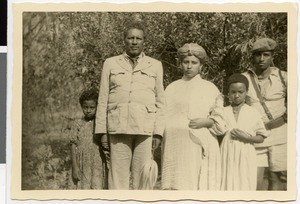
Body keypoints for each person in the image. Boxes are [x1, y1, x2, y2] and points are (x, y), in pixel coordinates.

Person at [95, 19, 165, 190]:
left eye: (138, 38)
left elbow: (160, 102)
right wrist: (102, 131)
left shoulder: (155, 65)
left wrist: (158, 133)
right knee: (117, 179)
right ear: (124, 40)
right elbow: (103, 98)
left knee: (144, 177)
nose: (134, 42)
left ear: (144, 41)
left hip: (145, 128)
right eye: (130, 38)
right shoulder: (110, 63)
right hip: (118, 127)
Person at [161, 43, 223, 190]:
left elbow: (220, 119)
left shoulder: (209, 88)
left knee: (192, 185)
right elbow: (162, 114)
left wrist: (207, 121)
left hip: (196, 145)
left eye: (194, 63)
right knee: (173, 187)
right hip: (173, 145)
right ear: (180, 64)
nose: (189, 66)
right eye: (186, 62)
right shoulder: (171, 88)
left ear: (201, 66)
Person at [243, 38, 287, 190]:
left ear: (272, 56)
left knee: (277, 180)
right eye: (258, 55)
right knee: (255, 181)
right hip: (256, 137)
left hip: (281, 136)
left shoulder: (283, 77)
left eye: (266, 55)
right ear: (252, 57)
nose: (262, 59)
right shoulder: (245, 78)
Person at [217, 73, 268, 190]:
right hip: (227, 152)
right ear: (228, 93)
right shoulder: (223, 111)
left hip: (245, 152)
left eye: (241, 92)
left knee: (244, 180)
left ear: (246, 92)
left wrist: (247, 138)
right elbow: (217, 130)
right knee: (227, 180)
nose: (237, 96)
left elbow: (261, 137)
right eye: (233, 92)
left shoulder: (252, 112)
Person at [69, 88, 107, 189]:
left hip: (97, 163)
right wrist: (74, 167)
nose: (88, 110)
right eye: (85, 107)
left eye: (92, 107)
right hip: (81, 163)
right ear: (81, 106)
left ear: (97, 107)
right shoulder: (78, 124)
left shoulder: (100, 124)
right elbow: (73, 145)